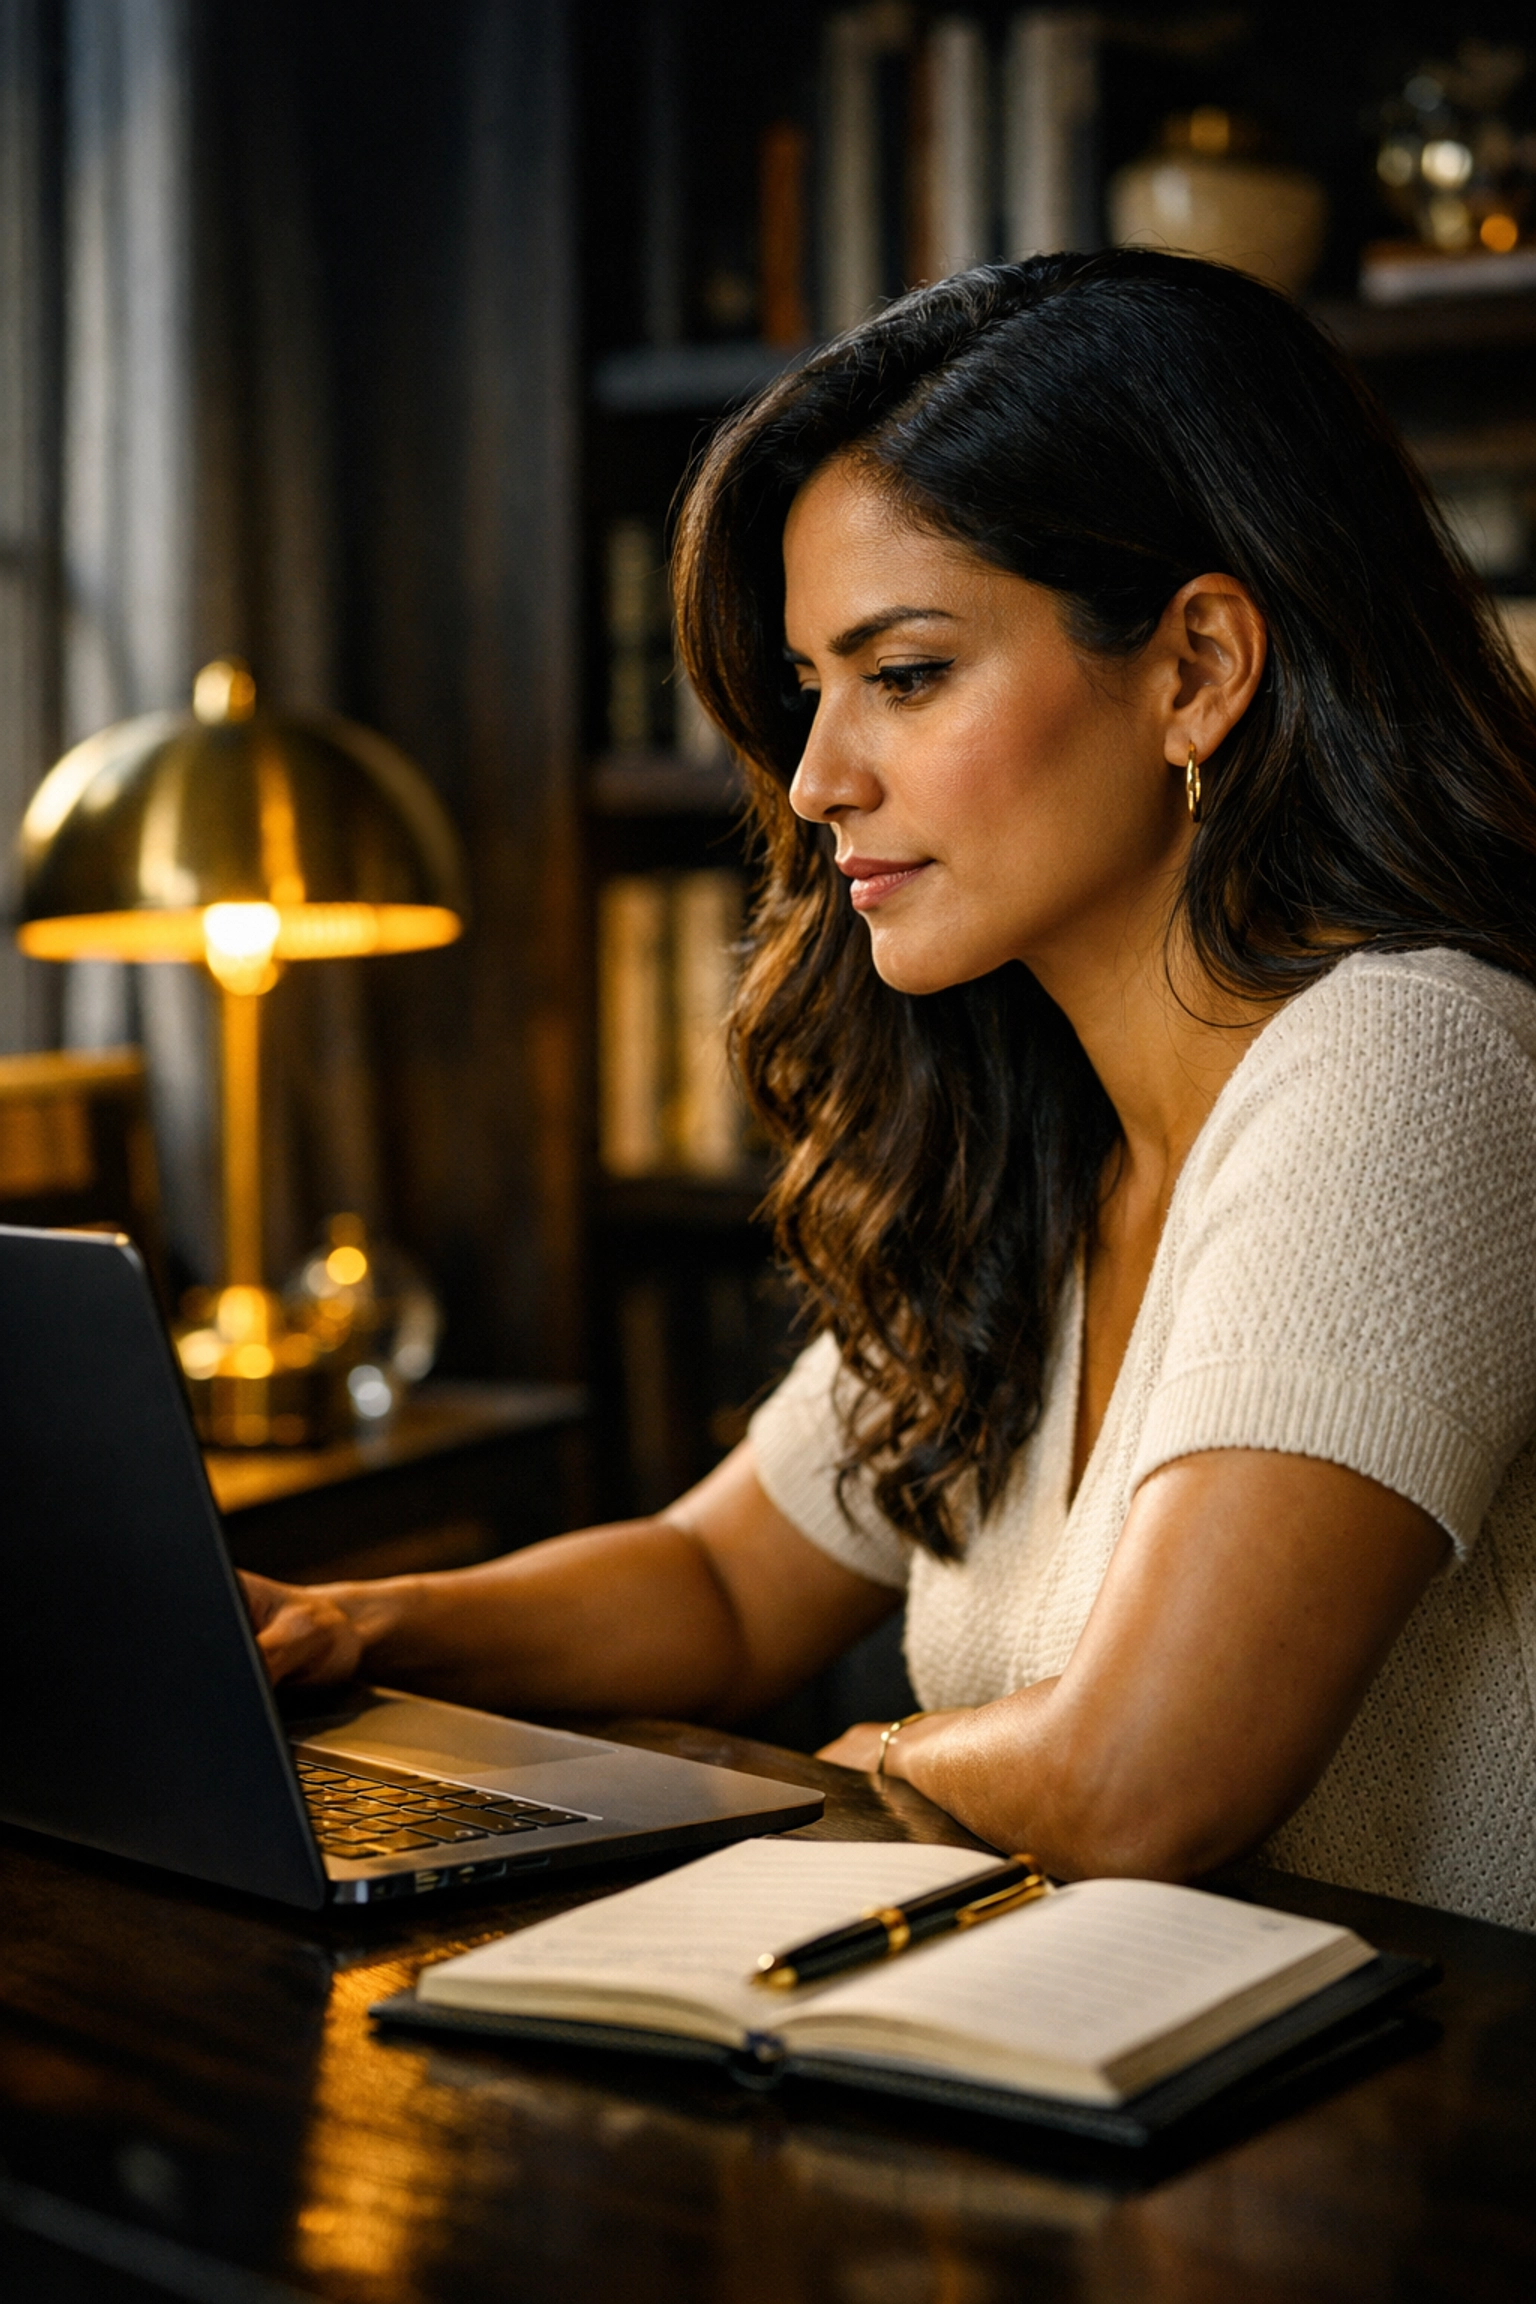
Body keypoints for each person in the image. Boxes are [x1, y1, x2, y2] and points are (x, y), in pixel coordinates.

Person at [243, 252, 1536, 1930]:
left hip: (1418, 2139)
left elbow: (1143, 1776)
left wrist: (884, 1766)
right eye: (808, 691)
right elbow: (719, 1583)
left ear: (1197, 670)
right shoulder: (1033, 1137)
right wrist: (368, 1622)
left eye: (906, 675)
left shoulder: (1410, 1061)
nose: (817, 776)